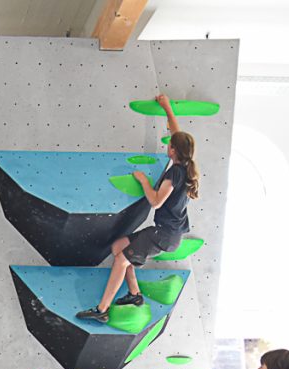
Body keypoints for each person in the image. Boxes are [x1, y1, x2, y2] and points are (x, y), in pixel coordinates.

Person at [76, 93, 199, 323]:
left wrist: (143, 180)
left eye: (169, 145)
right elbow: (176, 133)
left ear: (172, 151)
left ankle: (102, 310)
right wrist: (167, 108)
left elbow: (156, 201)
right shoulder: (182, 165)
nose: (168, 145)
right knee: (118, 247)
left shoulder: (175, 172)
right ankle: (134, 294)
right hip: (168, 233)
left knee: (122, 259)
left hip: (164, 234)